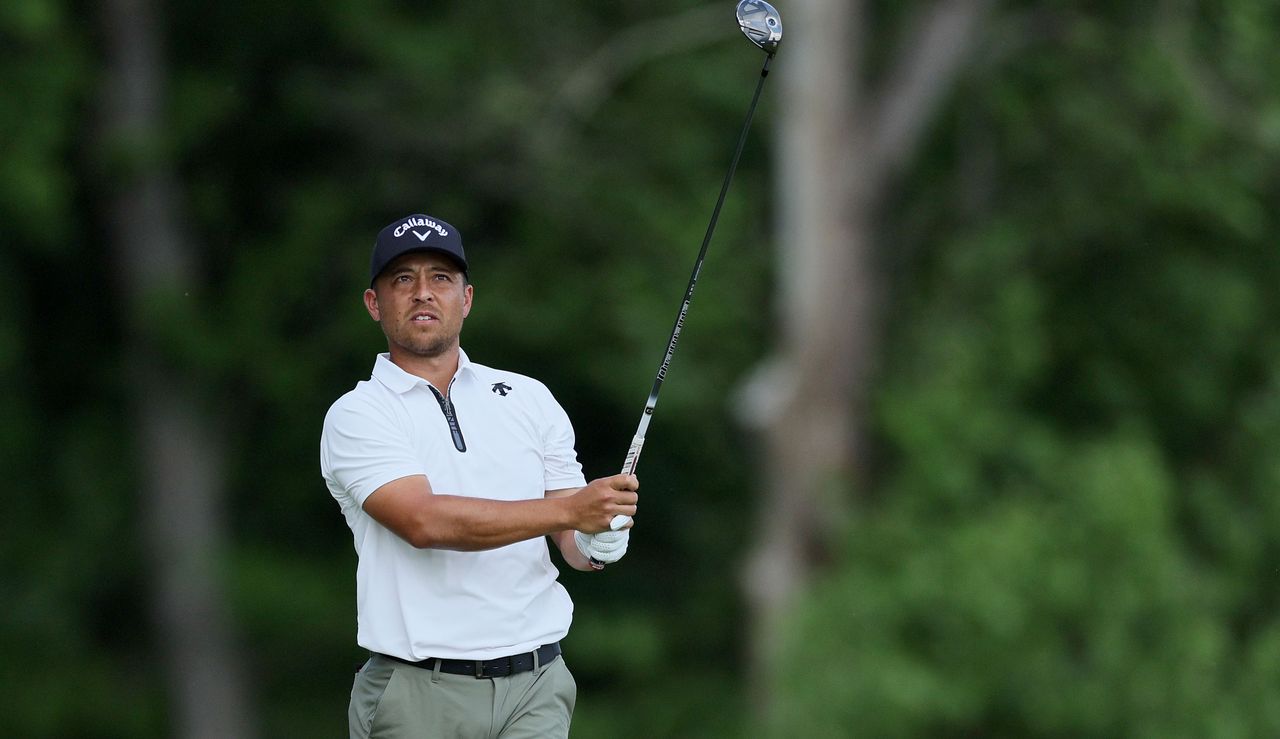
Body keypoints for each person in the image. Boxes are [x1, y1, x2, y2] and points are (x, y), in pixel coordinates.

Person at [321, 213, 637, 738]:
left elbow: (573, 543)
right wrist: (572, 510)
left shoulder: (529, 398)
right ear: (375, 304)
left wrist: (601, 537)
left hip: (537, 684)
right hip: (419, 692)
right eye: (404, 279)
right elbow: (424, 523)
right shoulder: (358, 413)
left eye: (441, 278)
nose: (424, 292)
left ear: (465, 299)